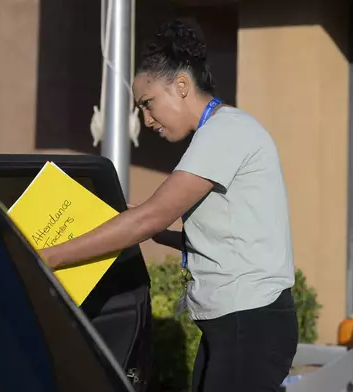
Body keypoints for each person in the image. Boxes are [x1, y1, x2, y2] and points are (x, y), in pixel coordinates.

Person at [40, 19, 298, 392]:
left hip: (250, 323)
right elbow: (229, 234)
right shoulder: (224, 132)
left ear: (181, 86)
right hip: (240, 323)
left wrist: (47, 258)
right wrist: (154, 230)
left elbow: (151, 214)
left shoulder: (225, 132)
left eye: (147, 104)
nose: (145, 120)